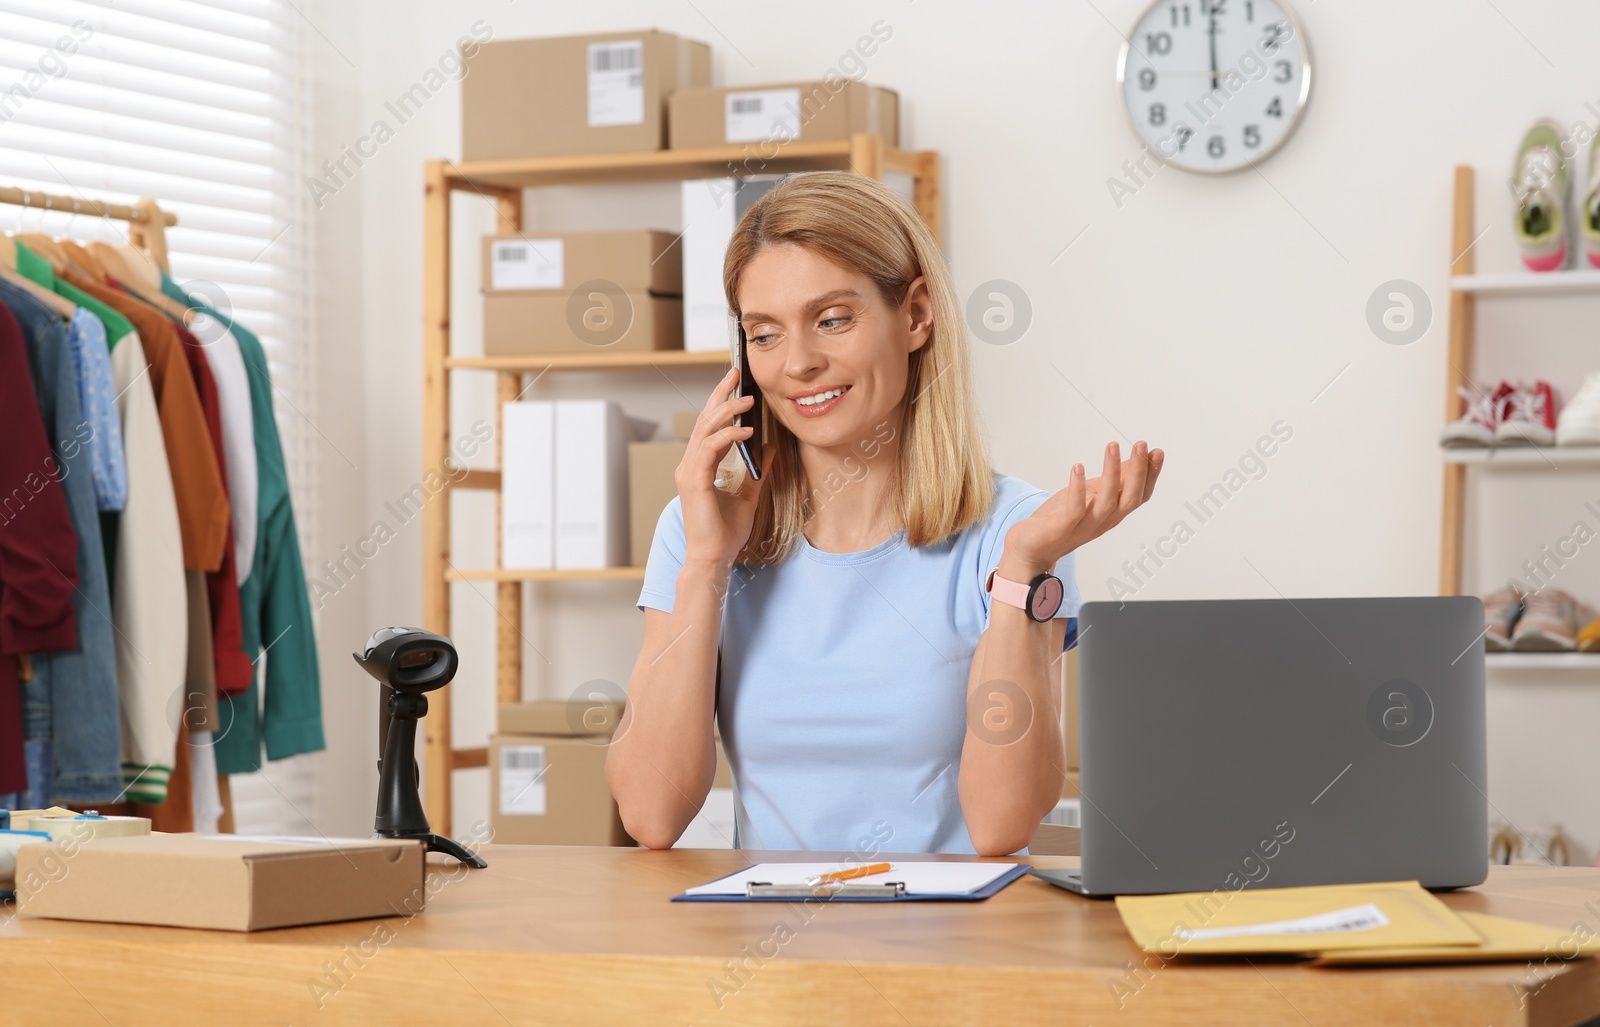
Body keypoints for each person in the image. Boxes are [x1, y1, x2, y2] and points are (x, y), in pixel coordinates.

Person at [606, 172, 1163, 856]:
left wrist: (1022, 572)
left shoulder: (1012, 531)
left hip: (952, 950)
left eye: (832, 319)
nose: (799, 364)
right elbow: (649, 814)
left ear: (917, 316)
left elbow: (1002, 825)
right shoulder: (701, 530)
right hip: (769, 947)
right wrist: (705, 564)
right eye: (765, 335)